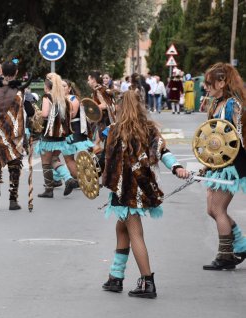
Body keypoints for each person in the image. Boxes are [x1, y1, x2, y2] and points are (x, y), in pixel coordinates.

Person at [101, 90, 190, 297]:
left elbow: (104, 160)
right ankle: (115, 277)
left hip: (125, 191)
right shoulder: (149, 129)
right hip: (143, 187)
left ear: (121, 107)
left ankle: (147, 282)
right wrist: (177, 167)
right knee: (121, 228)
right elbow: (164, 153)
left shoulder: (114, 130)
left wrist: (87, 173)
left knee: (135, 233)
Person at [199, 63, 246, 270]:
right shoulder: (216, 103)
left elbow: (239, 136)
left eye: (209, 84)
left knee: (218, 209)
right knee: (212, 209)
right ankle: (242, 245)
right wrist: (207, 164)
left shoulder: (233, 105)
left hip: (232, 164)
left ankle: (225, 256)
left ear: (222, 82)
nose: (206, 88)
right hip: (218, 164)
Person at [0, 60, 34, 210]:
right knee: (14, 166)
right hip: (15, 135)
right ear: (16, 72)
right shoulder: (21, 91)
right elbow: (31, 112)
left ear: (1, 71)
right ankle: (13, 200)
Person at [34, 73, 78, 198]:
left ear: (47, 86)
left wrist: (38, 114)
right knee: (54, 159)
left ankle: (49, 190)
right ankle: (69, 179)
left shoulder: (47, 96)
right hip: (61, 136)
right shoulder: (64, 98)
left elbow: (45, 114)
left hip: (49, 135)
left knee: (46, 162)